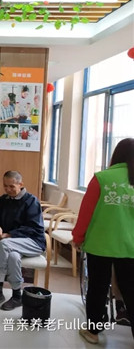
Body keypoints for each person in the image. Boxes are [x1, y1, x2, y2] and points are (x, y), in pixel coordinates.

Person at [72, 138, 134, 343]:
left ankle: (93, 332)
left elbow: (86, 213)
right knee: (131, 290)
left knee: (98, 287)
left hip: (100, 244)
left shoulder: (102, 178)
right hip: (130, 247)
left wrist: (78, 237)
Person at [0, 170, 46, 311]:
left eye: (11, 186)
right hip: (14, 245)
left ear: (20, 184)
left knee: (4, 244)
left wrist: (10, 235)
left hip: (33, 242)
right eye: (5, 186)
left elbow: (33, 228)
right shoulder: (3, 200)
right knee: (13, 257)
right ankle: (17, 295)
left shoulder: (31, 201)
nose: (8, 189)